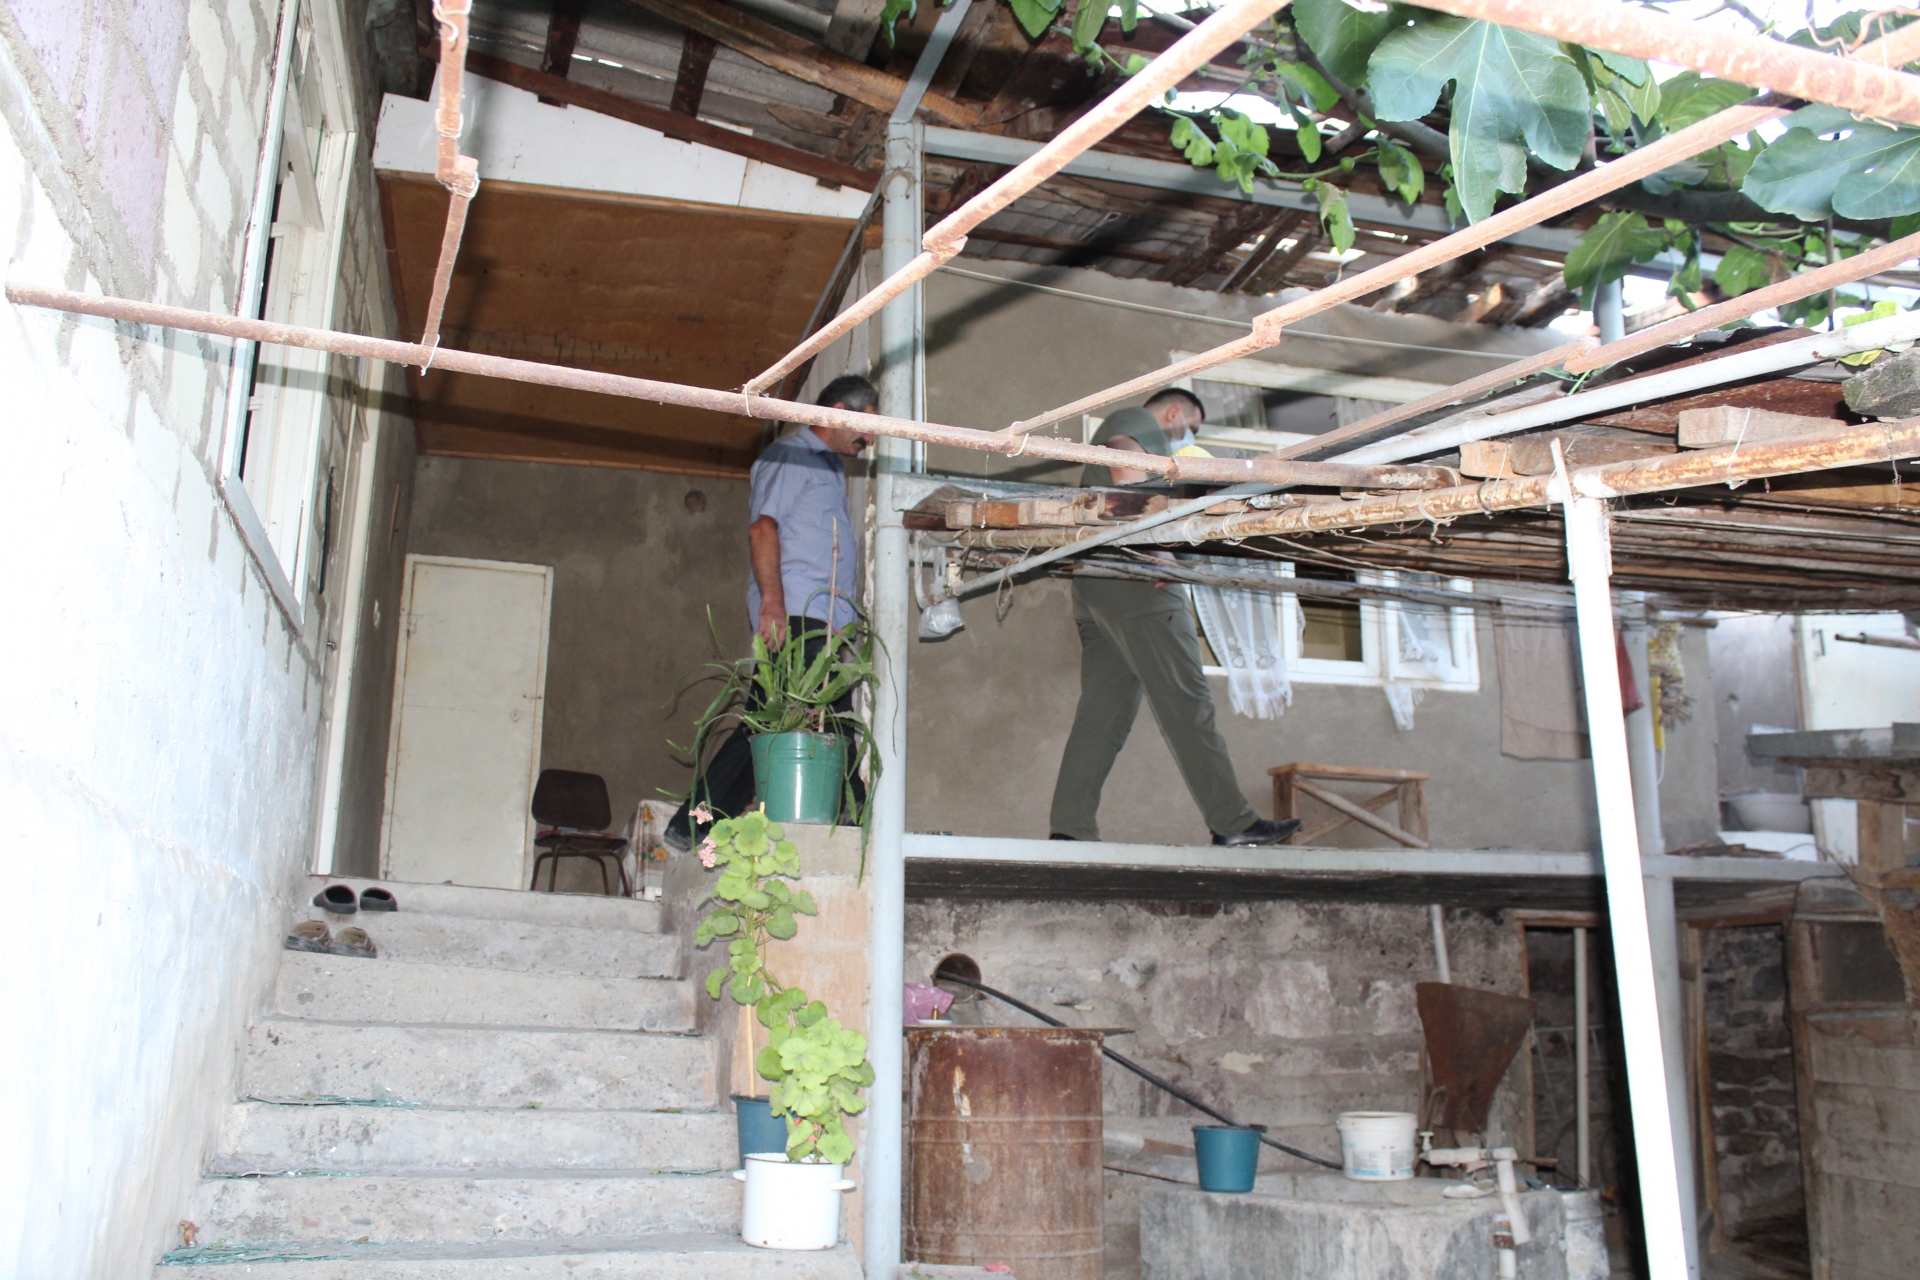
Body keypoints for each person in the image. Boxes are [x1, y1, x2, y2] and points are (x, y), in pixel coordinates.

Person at [1049, 387, 1301, 846]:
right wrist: (1155, 548)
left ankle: (1070, 828)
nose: (1188, 437)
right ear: (1172, 413)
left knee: (1103, 716)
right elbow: (1124, 463)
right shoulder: (1137, 422)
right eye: (1191, 427)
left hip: (1097, 583)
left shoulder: (1132, 432)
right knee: (1188, 704)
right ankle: (1233, 823)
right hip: (1139, 584)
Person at [665, 375, 878, 851]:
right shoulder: (791, 455)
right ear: (838, 411)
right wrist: (773, 604)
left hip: (820, 621)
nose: (871, 438)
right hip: (797, 615)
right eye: (867, 425)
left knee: (776, 721)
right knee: (812, 720)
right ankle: (863, 826)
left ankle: (692, 826)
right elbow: (763, 529)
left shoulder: (829, 468)